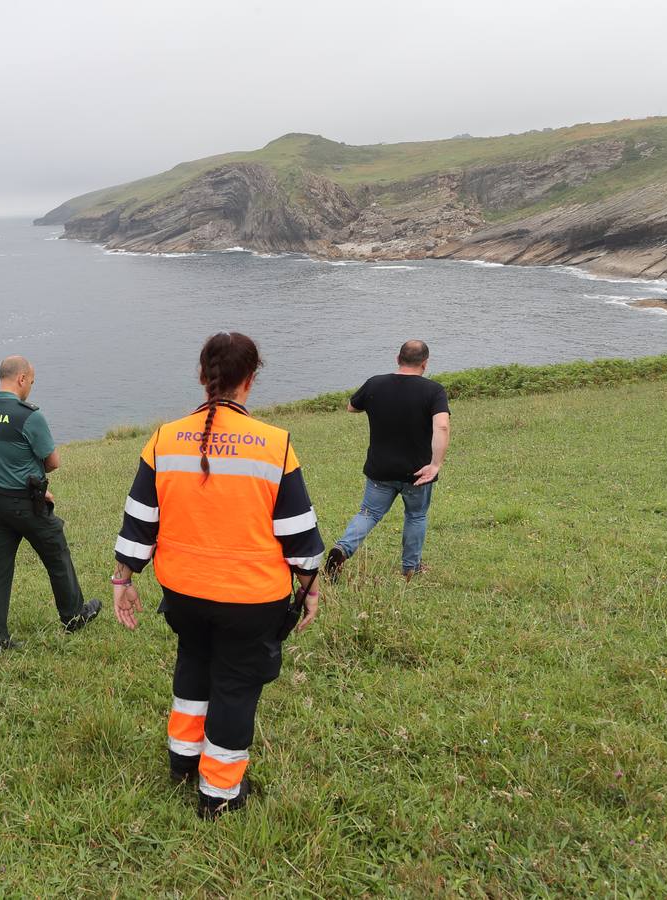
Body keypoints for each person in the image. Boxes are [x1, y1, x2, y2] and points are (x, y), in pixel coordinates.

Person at [111, 332, 324, 820]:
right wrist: (311, 589)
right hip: (251, 599)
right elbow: (299, 536)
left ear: (202, 377)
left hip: (183, 594)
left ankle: (183, 762)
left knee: (194, 664)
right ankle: (220, 793)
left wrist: (123, 581)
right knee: (235, 684)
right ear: (251, 379)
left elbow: (139, 519)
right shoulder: (274, 445)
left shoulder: (164, 438)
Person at [0, 355, 100, 656]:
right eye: (31, 380)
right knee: (57, 554)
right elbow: (52, 462)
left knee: (0, 569)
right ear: (21, 379)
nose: (31, 386)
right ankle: (73, 617)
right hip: (26, 504)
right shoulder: (29, 416)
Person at [323, 340, 451, 582]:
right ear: (425, 363)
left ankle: (341, 550)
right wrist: (435, 465)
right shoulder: (433, 390)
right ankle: (410, 568)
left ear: (397, 359)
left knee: (368, 514)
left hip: (380, 469)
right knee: (416, 516)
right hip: (418, 472)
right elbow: (442, 425)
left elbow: (352, 407)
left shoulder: (375, 384)